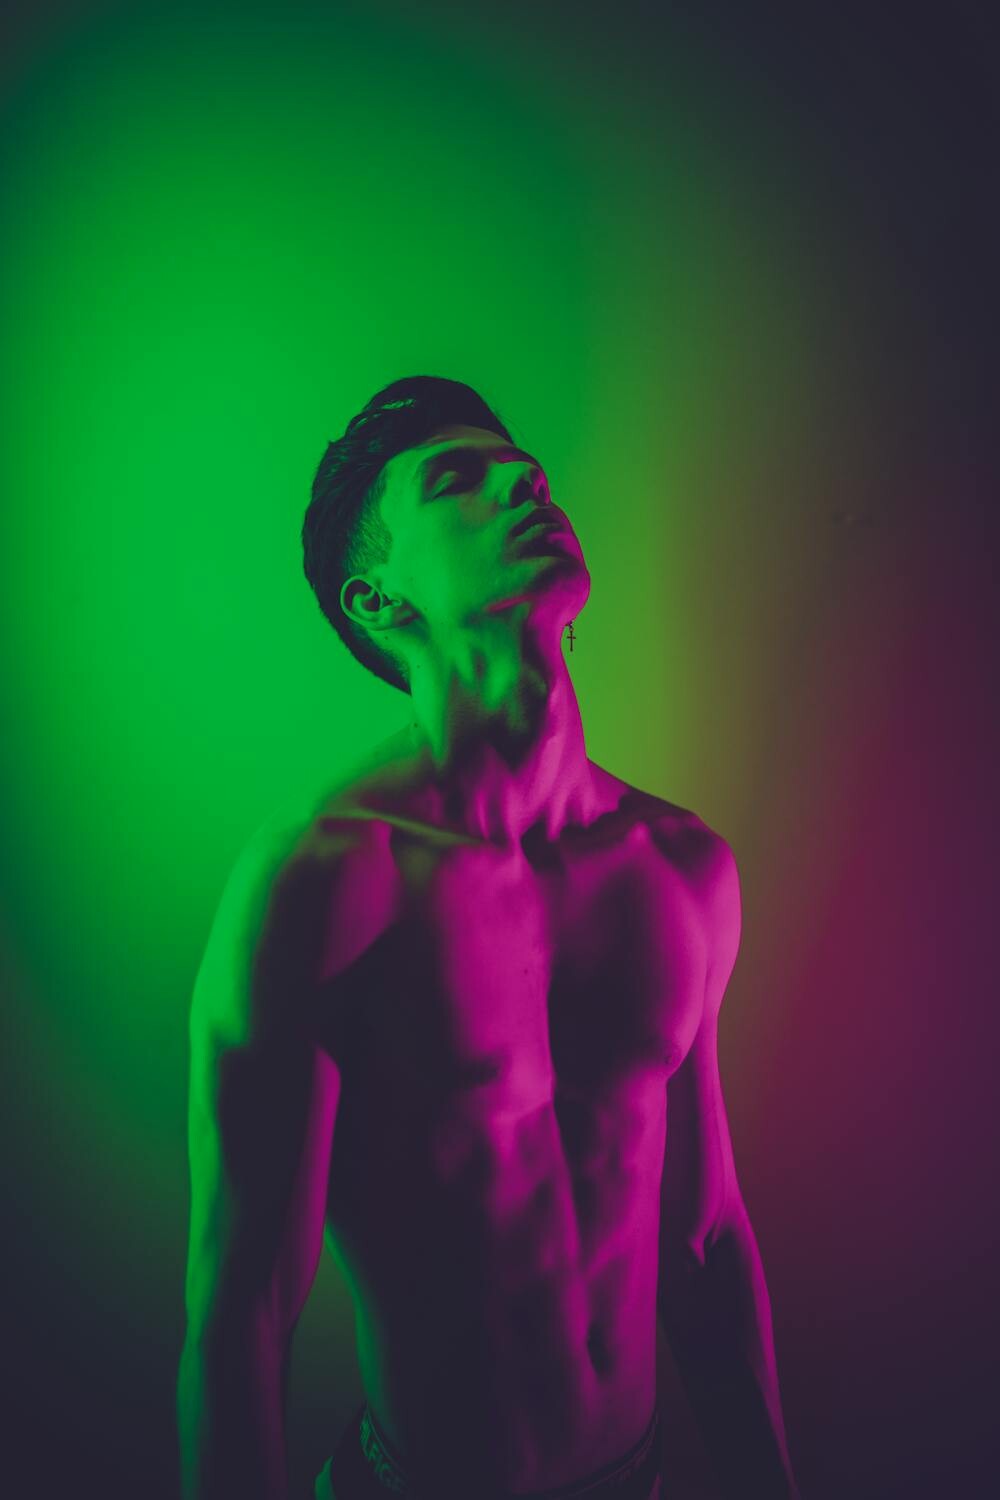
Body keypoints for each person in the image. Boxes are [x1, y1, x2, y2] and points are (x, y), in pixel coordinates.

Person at [177, 377, 801, 1500]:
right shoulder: (321, 884)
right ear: (378, 599)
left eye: (525, 471)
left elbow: (704, 1240)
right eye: (458, 481)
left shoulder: (678, 867)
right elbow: (243, 1315)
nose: (523, 482)